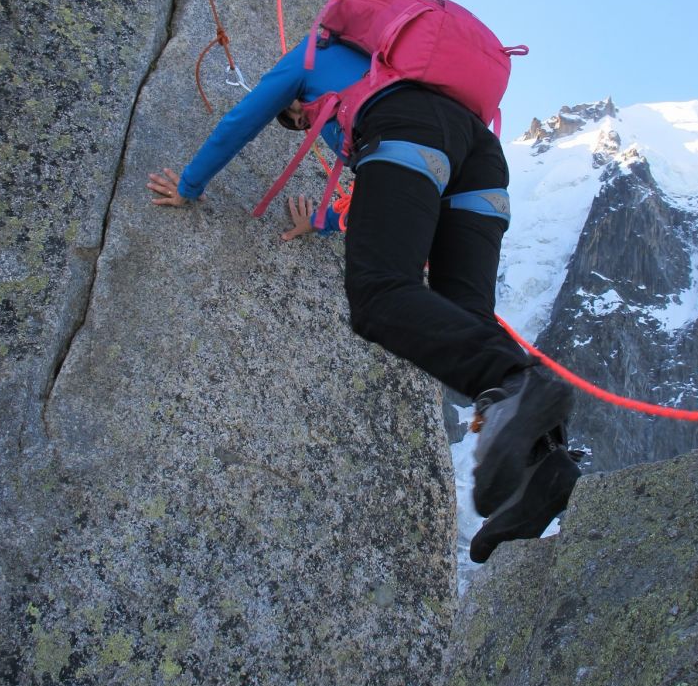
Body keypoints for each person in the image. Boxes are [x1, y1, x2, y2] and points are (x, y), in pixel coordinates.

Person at [148, 33, 580, 561]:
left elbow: (243, 118)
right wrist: (327, 220)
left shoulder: (309, 56)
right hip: (481, 160)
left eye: (297, 118)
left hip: (413, 134)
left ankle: (518, 384)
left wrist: (189, 185)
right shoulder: (392, 69)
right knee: (462, 319)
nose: (304, 125)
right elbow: (400, 204)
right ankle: (547, 468)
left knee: (378, 295)